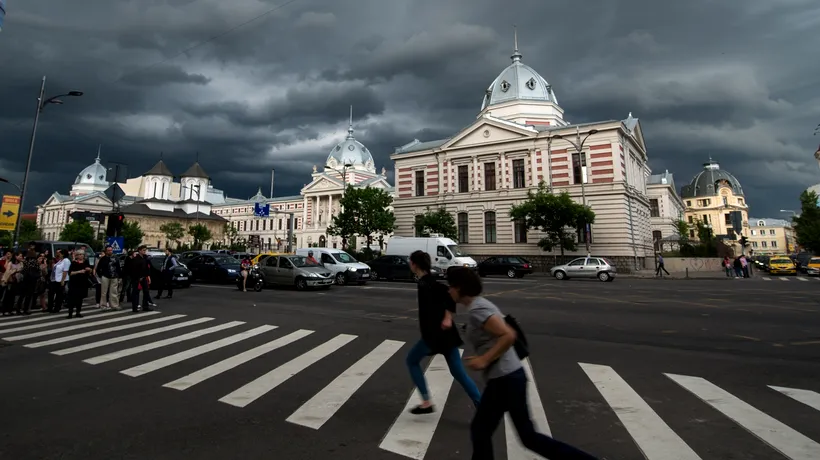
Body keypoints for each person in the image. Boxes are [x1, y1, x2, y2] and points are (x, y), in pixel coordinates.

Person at [447, 267, 599, 460]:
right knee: (516, 435)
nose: (448, 290)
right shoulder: (479, 306)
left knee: (486, 431)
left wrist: (484, 359)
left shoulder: (478, 309)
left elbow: (508, 335)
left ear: (460, 288)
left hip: (505, 380)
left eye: (450, 286)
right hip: (508, 378)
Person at [404, 250, 481, 414]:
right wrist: (447, 318)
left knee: (411, 360)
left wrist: (447, 317)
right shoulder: (424, 281)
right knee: (458, 372)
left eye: (410, 261)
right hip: (445, 336)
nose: (409, 264)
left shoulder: (427, 282)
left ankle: (426, 402)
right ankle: (480, 403)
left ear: (414, 264)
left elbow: (449, 295)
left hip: (434, 335)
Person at [66, 251, 92, 318]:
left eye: (82, 254)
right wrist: (79, 271)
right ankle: (70, 313)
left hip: (83, 283)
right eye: (79, 254)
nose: (81, 256)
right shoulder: (74, 263)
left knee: (80, 299)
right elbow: (70, 273)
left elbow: (90, 271)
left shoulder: (86, 262)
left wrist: (89, 269)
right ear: (77, 256)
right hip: (74, 283)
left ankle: (78, 312)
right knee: (72, 298)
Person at [130, 246, 155, 312]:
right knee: (136, 292)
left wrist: (148, 275)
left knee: (146, 291)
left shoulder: (145, 258)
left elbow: (147, 267)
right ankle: (135, 307)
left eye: (145, 250)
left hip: (144, 277)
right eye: (143, 250)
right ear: (140, 251)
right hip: (137, 278)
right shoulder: (136, 259)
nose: (145, 251)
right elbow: (133, 270)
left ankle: (145, 306)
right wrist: (138, 277)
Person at [97, 246, 122, 310]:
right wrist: (100, 275)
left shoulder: (116, 258)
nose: (110, 251)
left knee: (114, 292)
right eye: (108, 250)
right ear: (106, 251)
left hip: (114, 276)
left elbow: (118, 267)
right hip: (105, 276)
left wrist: (119, 276)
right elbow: (98, 268)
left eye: (111, 250)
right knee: (104, 292)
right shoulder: (103, 259)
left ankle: (114, 305)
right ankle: (103, 305)